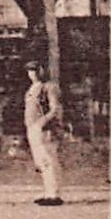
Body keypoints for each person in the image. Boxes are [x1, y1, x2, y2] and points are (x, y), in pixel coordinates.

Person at [24, 60, 64, 206]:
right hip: (33, 127)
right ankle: (48, 192)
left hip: (44, 128)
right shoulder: (33, 88)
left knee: (49, 160)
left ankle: (54, 194)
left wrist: (42, 122)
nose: (32, 74)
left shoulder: (49, 87)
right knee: (40, 162)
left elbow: (54, 109)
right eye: (30, 71)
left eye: (34, 70)